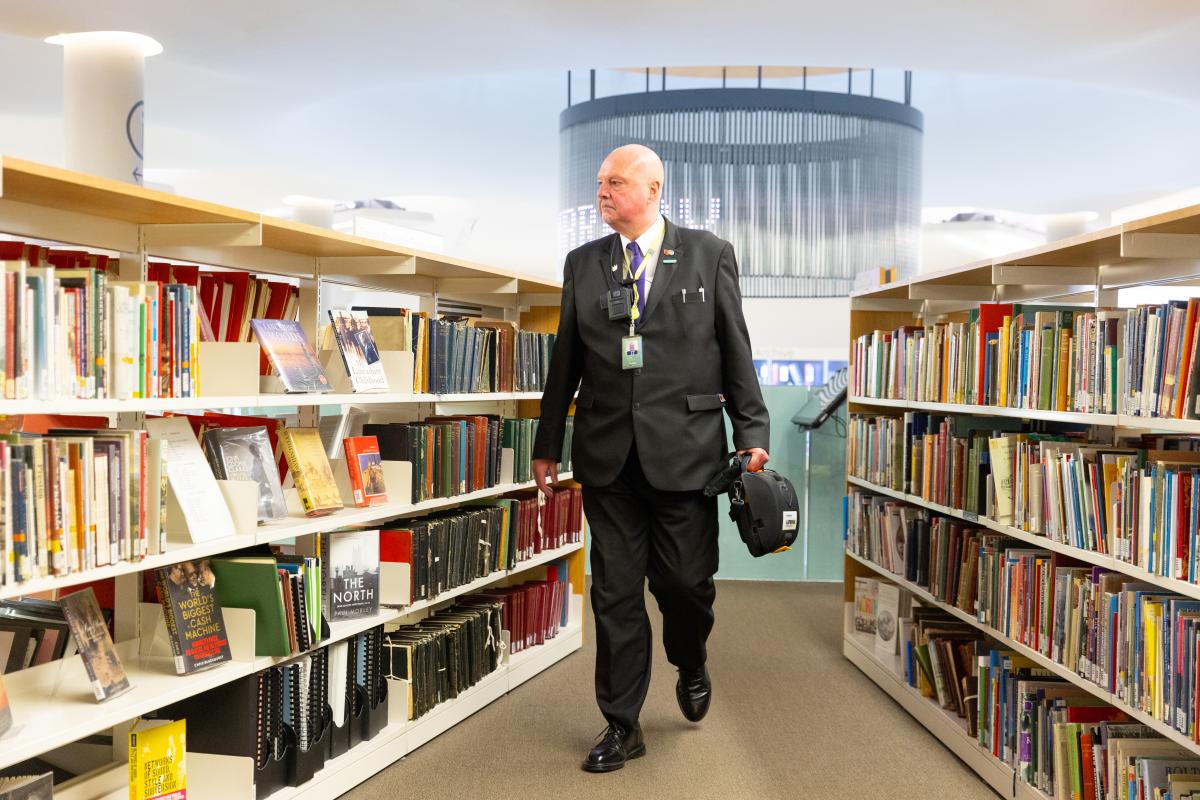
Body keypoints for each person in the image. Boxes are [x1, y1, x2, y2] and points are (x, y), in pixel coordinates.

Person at [532, 144, 770, 773]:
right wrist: (546, 444)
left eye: (616, 182)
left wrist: (752, 429)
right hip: (607, 457)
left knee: (684, 586)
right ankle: (622, 722)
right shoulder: (583, 264)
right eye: (600, 182)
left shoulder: (707, 254)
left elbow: (735, 347)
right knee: (613, 595)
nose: (602, 192)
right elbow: (566, 362)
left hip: (686, 453)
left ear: (654, 188)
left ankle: (690, 658)